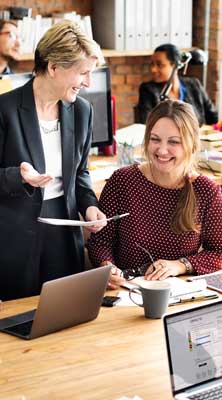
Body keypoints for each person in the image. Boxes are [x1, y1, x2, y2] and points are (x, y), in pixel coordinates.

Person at [0, 21, 107, 301]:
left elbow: (80, 172)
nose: (88, 82)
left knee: (64, 314)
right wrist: (18, 176)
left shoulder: (82, 111)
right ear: (53, 67)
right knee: (17, 320)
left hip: (64, 229)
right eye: (83, 72)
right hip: (15, 234)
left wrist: (90, 205)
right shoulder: (5, 109)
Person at [87, 100, 222, 289]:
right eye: (155, 139)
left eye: (174, 142)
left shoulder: (206, 191)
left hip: (178, 294)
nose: (162, 150)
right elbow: (100, 241)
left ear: (191, 145)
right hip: (125, 291)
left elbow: (221, 252)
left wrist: (180, 265)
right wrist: (107, 267)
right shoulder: (122, 180)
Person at [136, 44, 218, 127]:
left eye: (159, 65)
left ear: (175, 65)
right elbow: (146, 125)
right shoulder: (148, 90)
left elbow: (213, 117)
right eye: (152, 64)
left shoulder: (194, 84)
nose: (153, 69)